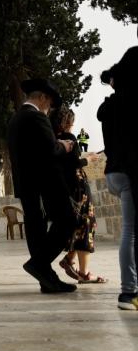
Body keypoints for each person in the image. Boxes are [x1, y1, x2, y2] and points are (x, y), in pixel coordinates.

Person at [7, 78, 78, 294]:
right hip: (44, 183)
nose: (49, 109)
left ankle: (46, 280)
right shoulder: (36, 117)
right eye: (49, 103)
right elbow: (50, 151)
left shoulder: (16, 119)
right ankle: (39, 264)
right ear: (42, 98)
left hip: (26, 183)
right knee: (67, 220)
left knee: (36, 229)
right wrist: (64, 146)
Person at [52, 108, 105, 285]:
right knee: (86, 224)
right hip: (79, 187)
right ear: (68, 121)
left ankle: (69, 259)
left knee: (79, 225)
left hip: (67, 189)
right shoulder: (70, 137)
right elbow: (74, 164)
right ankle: (84, 273)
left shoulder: (52, 140)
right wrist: (89, 159)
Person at [99, 66, 137, 310]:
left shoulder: (108, 107)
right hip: (129, 173)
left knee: (130, 230)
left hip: (113, 173)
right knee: (130, 232)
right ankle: (129, 292)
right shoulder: (129, 104)